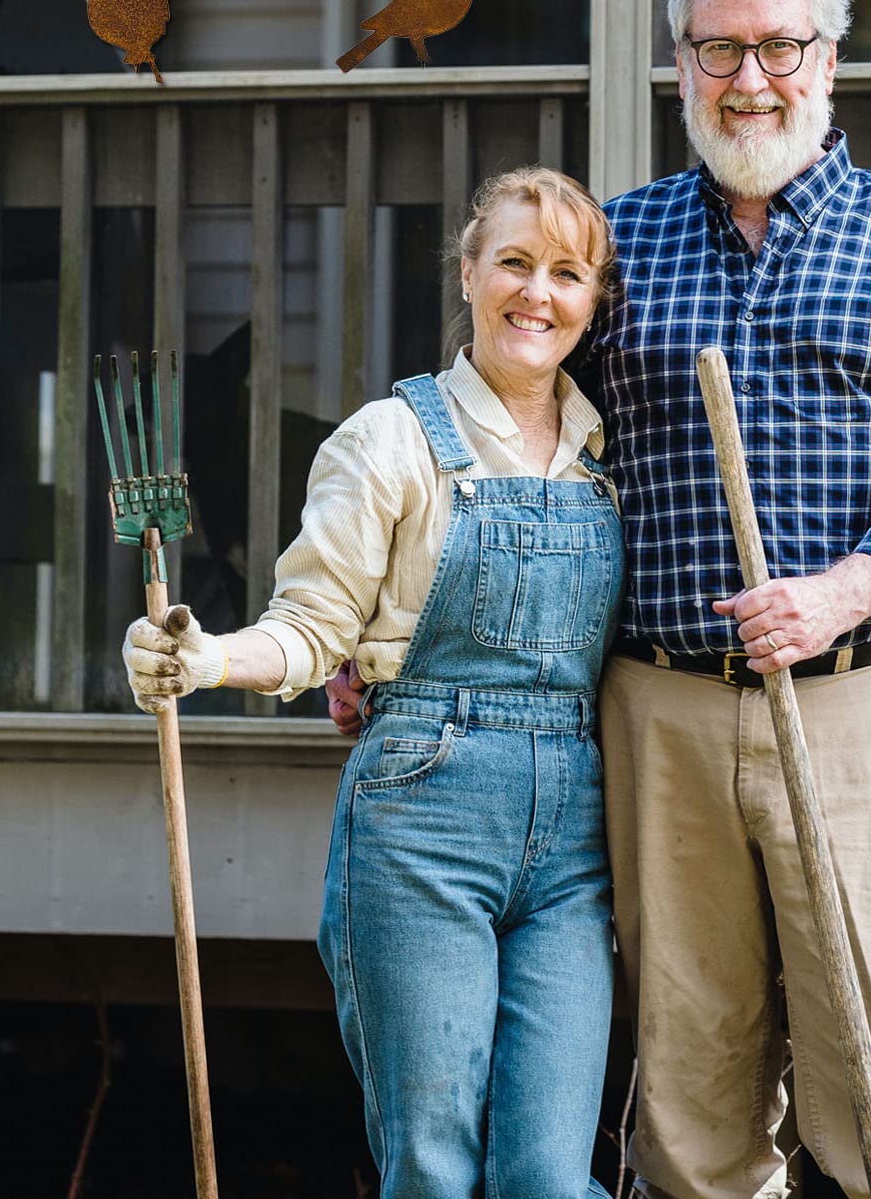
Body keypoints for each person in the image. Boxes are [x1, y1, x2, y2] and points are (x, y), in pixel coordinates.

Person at [585, 0, 871, 1199]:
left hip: (858, 700)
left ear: (829, 61)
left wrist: (837, 591)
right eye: (720, 48)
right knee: (692, 1094)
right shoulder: (615, 244)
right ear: (678, 66)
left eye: (778, 45)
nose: (749, 77)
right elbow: (520, 460)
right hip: (660, 709)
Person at [123, 167, 624, 1199]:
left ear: (594, 298)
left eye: (567, 272)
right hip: (420, 815)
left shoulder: (609, 455)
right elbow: (310, 627)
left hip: (578, 835)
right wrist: (206, 657)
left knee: (547, 1174)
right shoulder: (390, 441)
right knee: (433, 1167)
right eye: (515, 263)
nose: (539, 292)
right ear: (469, 272)